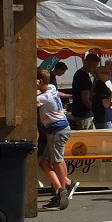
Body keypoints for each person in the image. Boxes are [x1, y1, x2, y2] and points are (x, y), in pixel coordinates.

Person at [36, 67, 73, 210]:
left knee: (57, 160)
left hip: (57, 130)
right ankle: (61, 188)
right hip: (55, 130)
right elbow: (47, 89)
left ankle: (62, 191)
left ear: (39, 81)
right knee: (44, 163)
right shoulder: (51, 87)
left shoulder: (43, 97)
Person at [69, 52, 99, 130]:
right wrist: (96, 110)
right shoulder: (83, 77)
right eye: (94, 66)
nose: (95, 68)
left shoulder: (80, 74)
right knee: (86, 137)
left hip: (82, 113)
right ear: (87, 63)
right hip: (83, 114)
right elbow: (85, 100)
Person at [91, 62, 112, 129]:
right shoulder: (102, 87)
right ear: (100, 74)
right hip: (103, 118)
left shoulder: (97, 84)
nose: (109, 75)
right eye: (107, 73)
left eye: (110, 73)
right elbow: (106, 105)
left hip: (100, 117)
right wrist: (110, 94)